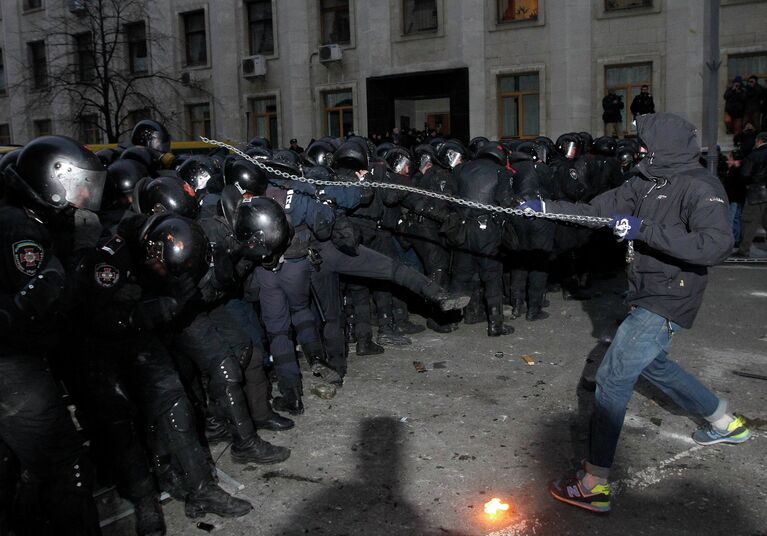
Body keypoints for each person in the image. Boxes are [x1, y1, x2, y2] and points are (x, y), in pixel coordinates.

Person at [519, 113, 752, 513]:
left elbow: (715, 246)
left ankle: (593, 482)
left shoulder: (700, 186)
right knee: (654, 366)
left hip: (671, 294)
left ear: (664, 148)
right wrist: (544, 208)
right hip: (645, 289)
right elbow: (598, 211)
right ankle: (723, 421)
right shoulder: (645, 181)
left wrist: (642, 229)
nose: (639, 150)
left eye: (645, 144)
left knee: (612, 376)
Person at [734, 131, 767, 258]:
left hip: (757, 193)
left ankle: (744, 249)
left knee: (749, 222)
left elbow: (745, 175)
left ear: (759, 141)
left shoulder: (754, 155)